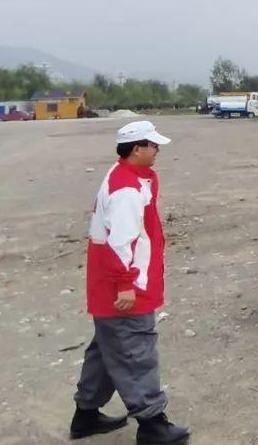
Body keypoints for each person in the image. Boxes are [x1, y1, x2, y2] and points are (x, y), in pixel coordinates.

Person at [71, 121, 190, 444]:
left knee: (107, 349)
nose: (158, 150)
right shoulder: (126, 189)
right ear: (136, 149)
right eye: (152, 145)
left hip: (115, 283)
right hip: (125, 287)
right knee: (136, 351)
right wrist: (125, 284)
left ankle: (86, 414)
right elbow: (119, 242)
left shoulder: (127, 176)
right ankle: (152, 423)